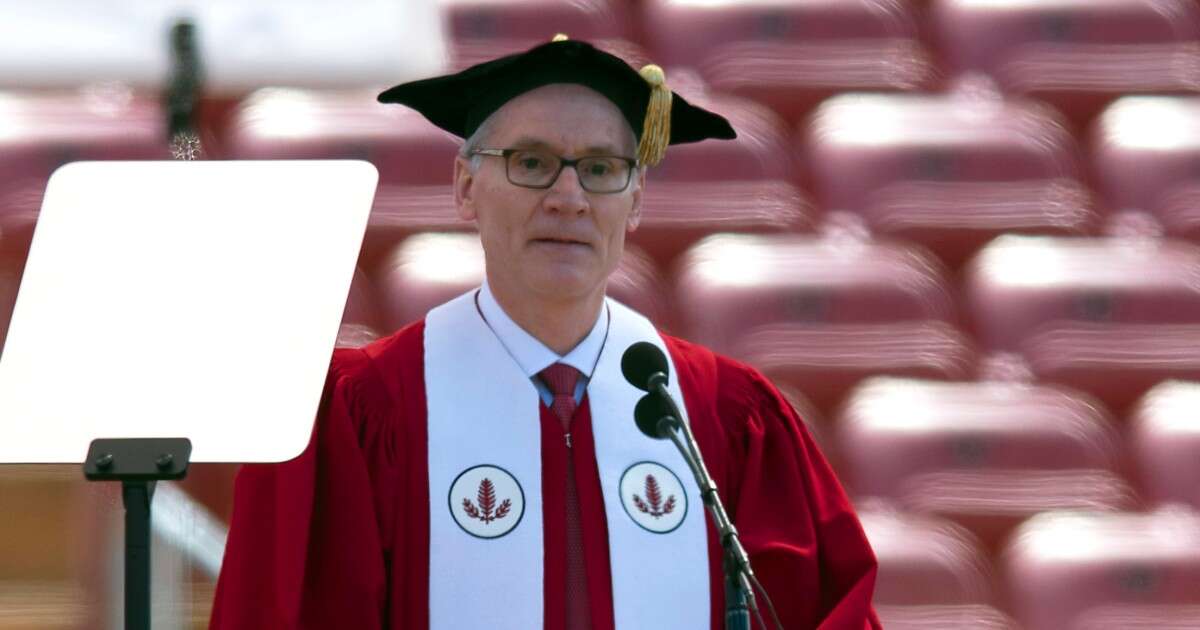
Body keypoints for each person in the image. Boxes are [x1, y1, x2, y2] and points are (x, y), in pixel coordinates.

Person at [210, 37, 881, 630]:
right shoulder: (366, 409)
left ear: (636, 202)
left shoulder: (722, 416)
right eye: (530, 162)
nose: (568, 197)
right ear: (466, 186)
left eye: (600, 168)